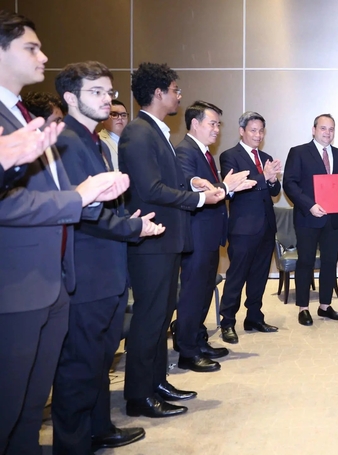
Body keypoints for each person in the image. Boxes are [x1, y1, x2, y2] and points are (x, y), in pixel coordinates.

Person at [0, 13, 128, 453]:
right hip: (21, 282)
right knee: (24, 401)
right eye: (31, 48)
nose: (44, 56)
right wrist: (82, 198)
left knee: (31, 408)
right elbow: (19, 202)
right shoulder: (53, 132)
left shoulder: (24, 117)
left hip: (57, 277)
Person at [52, 60, 165, 454]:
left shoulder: (96, 140)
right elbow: (80, 210)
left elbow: (102, 205)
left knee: (100, 361)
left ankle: (99, 428)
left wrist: (127, 220)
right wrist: (133, 228)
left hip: (109, 269)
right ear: (70, 97)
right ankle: (73, 444)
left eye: (109, 92)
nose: (106, 99)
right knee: (79, 368)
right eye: (95, 92)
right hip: (86, 272)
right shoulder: (64, 141)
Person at [118, 62, 225, 418]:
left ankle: (157, 382)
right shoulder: (138, 132)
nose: (179, 95)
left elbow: (168, 182)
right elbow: (148, 188)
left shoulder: (156, 131)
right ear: (158, 92)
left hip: (166, 239)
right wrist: (195, 197)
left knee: (162, 316)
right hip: (150, 241)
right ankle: (138, 395)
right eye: (175, 90)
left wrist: (190, 185)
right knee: (149, 319)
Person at [174, 101, 253, 369]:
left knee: (205, 291)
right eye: (212, 123)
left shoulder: (204, 153)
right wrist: (225, 186)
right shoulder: (185, 152)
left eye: (219, 124)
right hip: (196, 235)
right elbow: (192, 193)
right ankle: (187, 351)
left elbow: (215, 192)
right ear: (195, 124)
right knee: (193, 294)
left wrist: (230, 189)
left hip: (208, 236)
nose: (217, 129)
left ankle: (198, 340)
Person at [283, 113, 338, 326]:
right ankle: (303, 308)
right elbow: (290, 183)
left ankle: (325, 305)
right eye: (323, 128)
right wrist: (310, 205)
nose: (327, 133)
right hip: (308, 217)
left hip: (333, 220)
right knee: (305, 262)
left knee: (330, 262)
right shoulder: (299, 152)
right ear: (314, 130)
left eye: (331, 129)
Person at [218, 111, 281, 342]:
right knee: (236, 277)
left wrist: (273, 180)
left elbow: (274, 192)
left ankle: (254, 317)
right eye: (253, 130)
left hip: (266, 227)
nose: (258, 134)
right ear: (241, 131)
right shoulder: (229, 156)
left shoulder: (265, 156)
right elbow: (238, 187)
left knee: (259, 276)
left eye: (261, 130)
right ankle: (228, 322)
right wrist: (265, 176)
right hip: (243, 229)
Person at [98, 99, 128, 170]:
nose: (120, 118)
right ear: (103, 118)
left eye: (124, 115)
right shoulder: (97, 141)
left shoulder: (134, 141)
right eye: (114, 114)